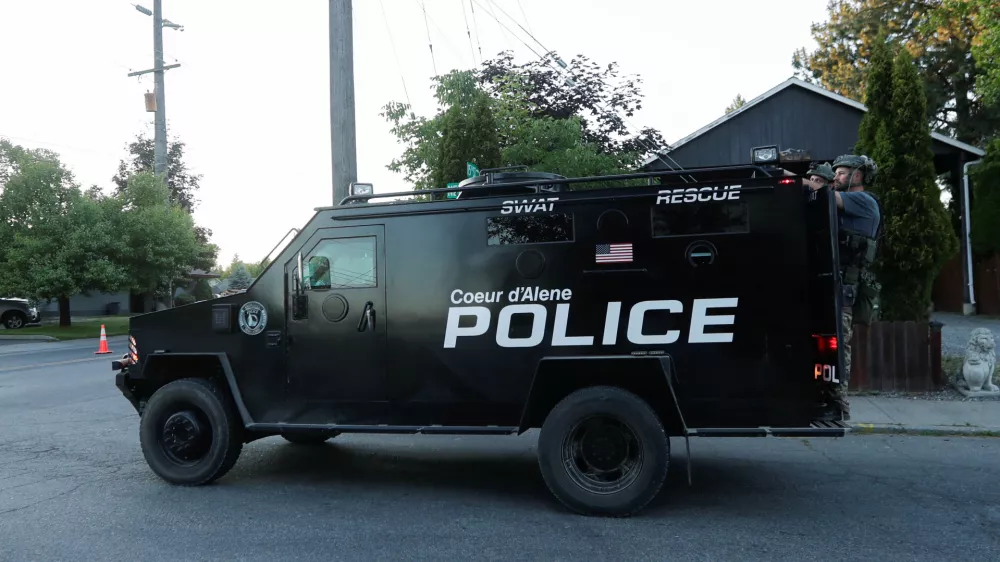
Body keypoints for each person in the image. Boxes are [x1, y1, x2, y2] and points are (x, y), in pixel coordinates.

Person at [803, 154, 882, 418]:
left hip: (844, 289)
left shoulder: (863, 201)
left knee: (838, 348)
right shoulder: (843, 204)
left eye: (841, 173)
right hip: (832, 284)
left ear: (857, 176)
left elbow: (824, 193)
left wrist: (790, 178)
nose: (835, 178)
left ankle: (839, 406)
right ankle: (824, 400)